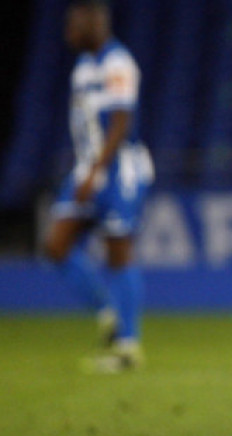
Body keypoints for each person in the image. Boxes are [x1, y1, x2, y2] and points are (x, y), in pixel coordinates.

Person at [44, 0, 154, 373]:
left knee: (118, 251)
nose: (69, 31)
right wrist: (87, 170)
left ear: (96, 22)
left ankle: (128, 346)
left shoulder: (117, 63)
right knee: (56, 244)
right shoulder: (84, 67)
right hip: (88, 167)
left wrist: (96, 171)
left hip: (119, 168)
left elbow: (121, 122)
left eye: (76, 24)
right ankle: (109, 312)